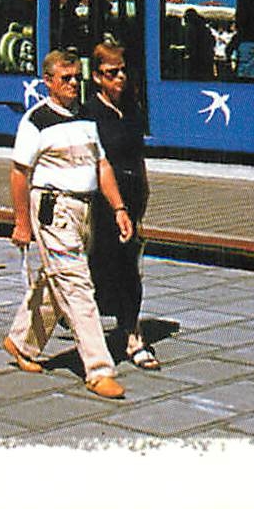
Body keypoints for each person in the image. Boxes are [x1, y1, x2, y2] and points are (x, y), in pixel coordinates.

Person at [3, 48, 135, 400]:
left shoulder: (87, 116)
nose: (74, 83)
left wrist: (119, 207)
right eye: (66, 78)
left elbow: (101, 165)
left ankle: (21, 343)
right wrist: (21, 224)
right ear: (48, 82)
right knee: (77, 287)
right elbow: (19, 174)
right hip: (54, 211)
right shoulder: (35, 121)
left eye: (77, 76)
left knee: (57, 280)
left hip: (86, 211)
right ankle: (99, 370)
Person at [83, 41, 158, 370]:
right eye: (112, 73)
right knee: (94, 268)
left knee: (129, 268)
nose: (120, 77)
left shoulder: (130, 109)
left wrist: (142, 195)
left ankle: (132, 334)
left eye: (122, 70)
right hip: (101, 203)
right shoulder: (89, 112)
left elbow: (137, 155)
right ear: (97, 76)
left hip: (131, 199)